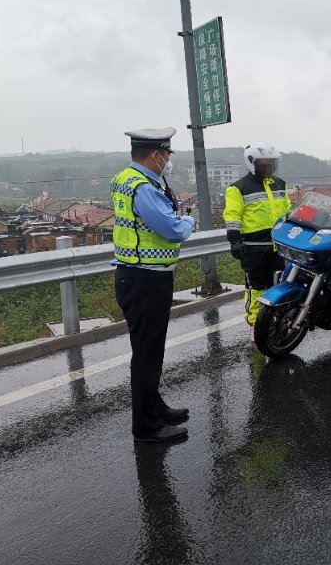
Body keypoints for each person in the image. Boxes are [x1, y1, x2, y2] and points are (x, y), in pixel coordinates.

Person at [112, 127, 195, 443]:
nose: (168, 160)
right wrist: (188, 221)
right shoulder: (144, 188)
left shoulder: (126, 179)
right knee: (147, 354)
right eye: (167, 154)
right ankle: (146, 427)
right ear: (156, 155)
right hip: (145, 280)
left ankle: (154, 406)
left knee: (149, 351)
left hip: (137, 275)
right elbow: (172, 229)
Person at [223, 143, 292, 338]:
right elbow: (232, 216)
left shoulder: (280, 184)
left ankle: (274, 321)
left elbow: (288, 212)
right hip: (253, 249)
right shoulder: (238, 188)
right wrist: (234, 241)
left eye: (272, 163)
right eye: (264, 164)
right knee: (256, 288)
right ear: (252, 163)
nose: (268, 167)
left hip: (278, 247)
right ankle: (255, 324)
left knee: (278, 285)